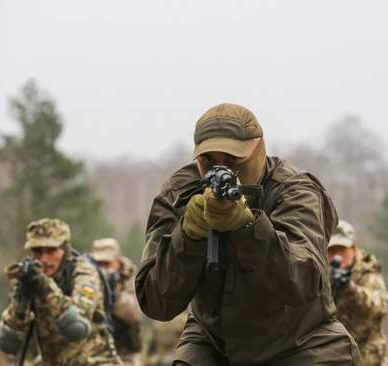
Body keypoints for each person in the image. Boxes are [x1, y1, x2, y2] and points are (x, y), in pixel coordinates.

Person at [135, 103, 360, 365]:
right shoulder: (178, 194)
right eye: (209, 160)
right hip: (215, 343)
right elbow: (155, 301)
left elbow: (303, 280)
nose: (221, 170)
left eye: (232, 159)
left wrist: (248, 227)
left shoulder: (295, 192)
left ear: (258, 150)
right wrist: (188, 236)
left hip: (300, 342)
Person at [0, 218, 121, 365]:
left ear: (65, 250)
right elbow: (8, 343)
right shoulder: (30, 277)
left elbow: (76, 328)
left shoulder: (84, 273)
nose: (44, 259)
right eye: (37, 251)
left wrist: (45, 289)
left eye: (51, 251)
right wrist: (21, 300)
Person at [328, 220, 388, 366]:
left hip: (368, 358)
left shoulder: (368, 272)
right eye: (333, 251)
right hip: (334, 356)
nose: (337, 256)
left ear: (354, 249)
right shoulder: (322, 273)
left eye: (342, 250)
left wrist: (349, 289)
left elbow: (378, 307)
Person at [90, 238, 143, 366]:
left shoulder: (130, 278)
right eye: (99, 263)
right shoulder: (87, 276)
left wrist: (114, 291)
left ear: (118, 261)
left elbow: (135, 314)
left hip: (125, 350)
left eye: (107, 263)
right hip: (95, 348)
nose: (102, 269)